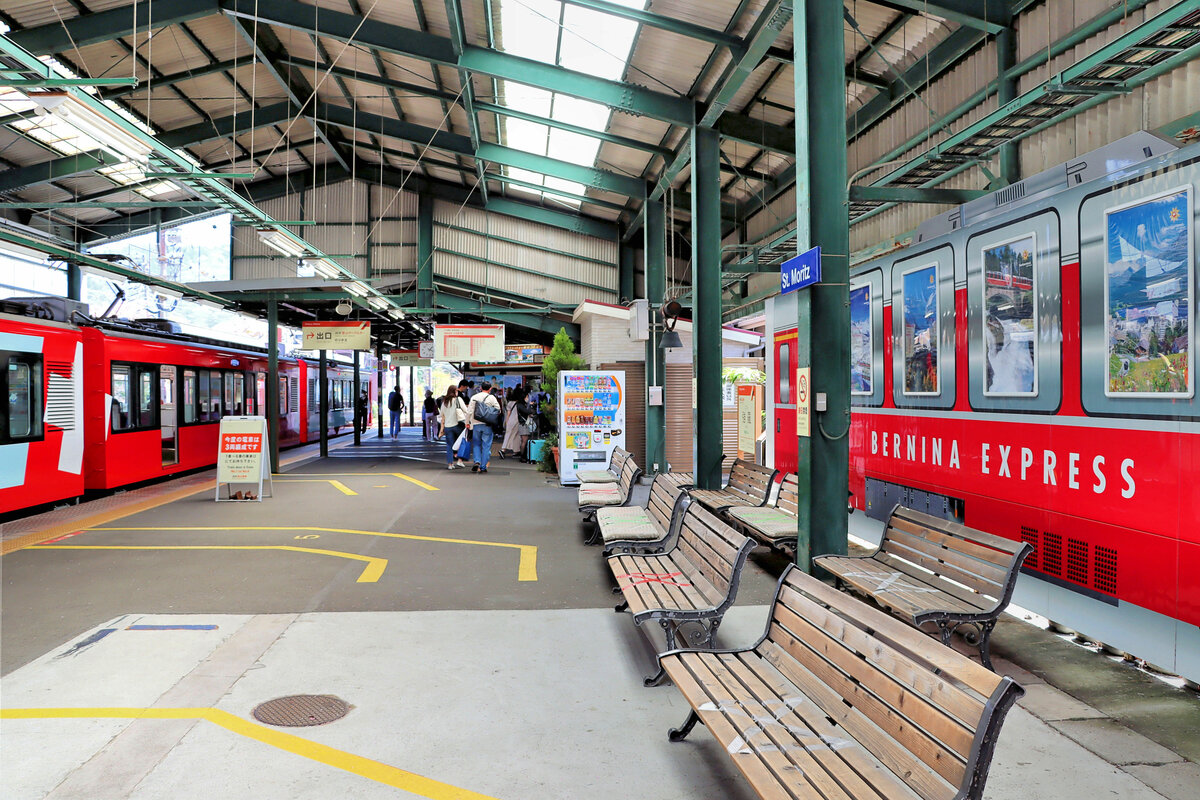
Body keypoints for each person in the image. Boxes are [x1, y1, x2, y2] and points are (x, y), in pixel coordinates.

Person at [465, 380, 501, 474]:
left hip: (476, 424)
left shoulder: (474, 397)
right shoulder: (492, 397)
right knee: (486, 446)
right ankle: (483, 466)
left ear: (480, 388)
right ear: (490, 389)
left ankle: (477, 461)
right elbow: (498, 410)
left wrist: (467, 422)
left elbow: (469, 411)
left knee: (476, 444)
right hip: (487, 424)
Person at [438, 385, 468, 470]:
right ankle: (459, 460)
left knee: (449, 445)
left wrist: (442, 428)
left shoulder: (444, 402)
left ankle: (450, 464)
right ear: (455, 392)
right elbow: (466, 410)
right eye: (457, 391)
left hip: (448, 427)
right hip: (458, 425)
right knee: (463, 442)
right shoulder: (458, 399)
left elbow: (442, 415)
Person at [500, 387, 531, 461]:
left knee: (514, 435)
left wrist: (507, 422)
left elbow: (508, 414)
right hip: (518, 421)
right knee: (513, 435)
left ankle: (516, 451)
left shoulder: (511, 402)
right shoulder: (520, 403)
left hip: (511, 421)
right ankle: (503, 450)